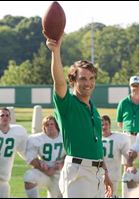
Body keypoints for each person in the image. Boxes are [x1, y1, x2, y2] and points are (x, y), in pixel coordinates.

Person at [46, 36, 113, 198]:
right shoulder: (67, 104)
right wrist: (56, 52)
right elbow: (59, 82)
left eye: (91, 78)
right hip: (78, 172)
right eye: (82, 78)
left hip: (96, 172)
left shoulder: (93, 108)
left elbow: (95, 143)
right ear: (72, 80)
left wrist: (105, 173)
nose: (88, 83)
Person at [24, 115, 66, 198]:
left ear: (57, 125)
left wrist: (62, 164)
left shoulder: (65, 137)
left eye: (52, 124)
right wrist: (40, 165)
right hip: (44, 171)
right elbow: (30, 157)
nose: (50, 126)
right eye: (47, 125)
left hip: (60, 172)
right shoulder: (36, 139)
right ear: (43, 127)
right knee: (29, 177)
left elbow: (73, 155)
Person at [101, 115, 130, 197]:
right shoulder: (95, 138)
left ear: (110, 125)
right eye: (101, 124)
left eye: (106, 124)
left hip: (113, 173)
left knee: (110, 194)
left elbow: (127, 155)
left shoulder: (119, 138)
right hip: (98, 173)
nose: (104, 127)